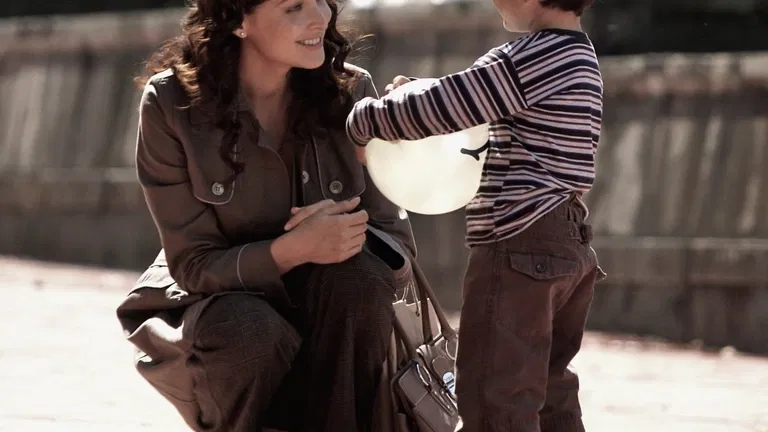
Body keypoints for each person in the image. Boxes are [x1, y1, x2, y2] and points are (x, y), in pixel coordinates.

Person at [114, 0, 420, 431]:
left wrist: (409, 149)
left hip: (337, 320)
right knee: (249, 330)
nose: (320, 17)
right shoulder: (171, 104)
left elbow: (397, 249)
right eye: (294, 7)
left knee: (360, 278)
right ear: (238, 20)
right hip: (224, 315)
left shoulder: (351, 93)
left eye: (321, 0)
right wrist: (290, 250)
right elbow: (193, 267)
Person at [346, 0, 605, 431]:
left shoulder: (528, 57)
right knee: (549, 391)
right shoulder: (578, 55)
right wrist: (423, 91)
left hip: (520, 242)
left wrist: (365, 120)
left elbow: (445, 106)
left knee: (493, 392)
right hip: (568, 243)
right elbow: (472, 105)